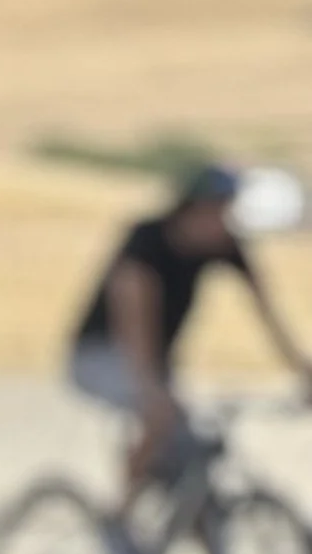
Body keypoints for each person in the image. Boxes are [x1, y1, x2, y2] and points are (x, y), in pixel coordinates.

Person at [69, 163, 312, 515]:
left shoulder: (226, 245)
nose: (226, 220)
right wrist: (150, 385)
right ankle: (119, 518)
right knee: (159, 419)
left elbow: (267, 311)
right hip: (104, 354)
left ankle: (186, 526)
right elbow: (134, 316)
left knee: (194, 452)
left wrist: (301, 368)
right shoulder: (148, 240)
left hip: (157, 361)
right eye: (221, 210)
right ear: (195, 209)